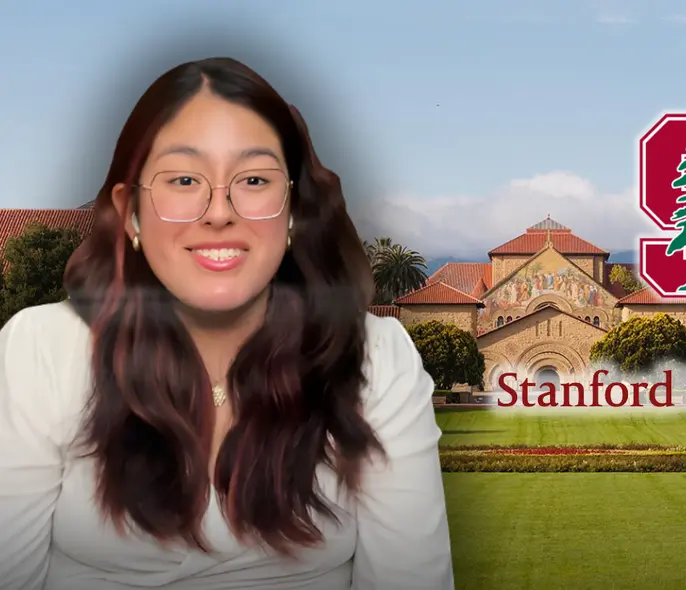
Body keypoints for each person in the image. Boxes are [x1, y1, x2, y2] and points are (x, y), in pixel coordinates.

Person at [0, 57, 453, 589]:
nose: (218, 212)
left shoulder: (376, 358)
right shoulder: (42, 350)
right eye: (184, 178)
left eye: (255, 179)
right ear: (131, 214)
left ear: (294, 212)